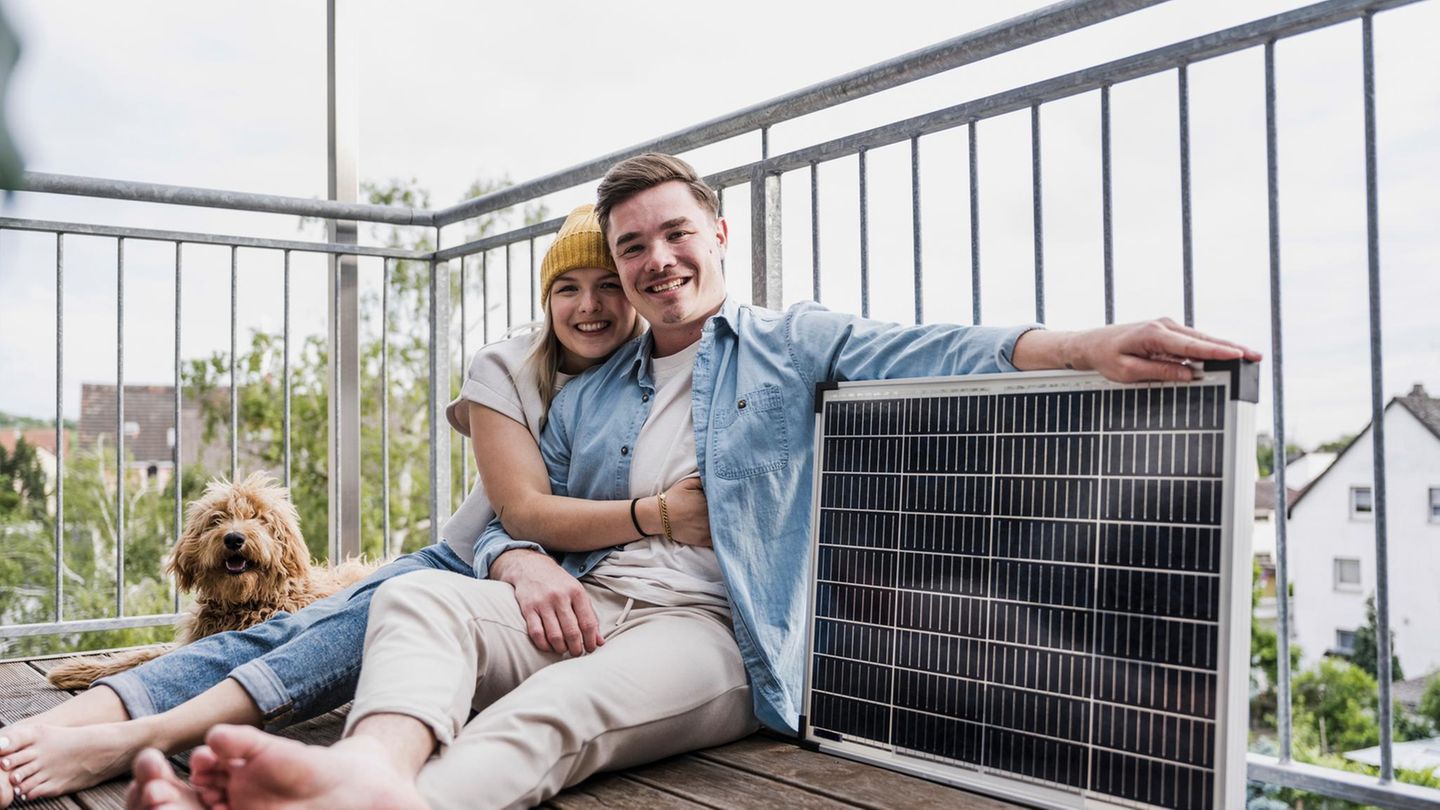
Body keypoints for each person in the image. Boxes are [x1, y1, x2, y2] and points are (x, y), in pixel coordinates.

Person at [127, 153, 1262, 810]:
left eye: (673, 234)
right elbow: (500, 523)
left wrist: (1086, 344)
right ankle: (370, 768)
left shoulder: (788, 343)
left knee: (553, 712)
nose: (655, 260)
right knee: (422, 596)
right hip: (591, 602)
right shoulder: (597, 390)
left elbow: (934, 348)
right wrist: (517, 558)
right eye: (632, 248)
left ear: (718, 232)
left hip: (716, 631)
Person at [0, 204, 714, 808]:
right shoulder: (508, 365)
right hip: (467, 560)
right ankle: (60, 731)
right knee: (294, 635)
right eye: (567, 287)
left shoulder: (656, 376)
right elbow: (517, 512)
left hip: (542, 586)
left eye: (608, 285)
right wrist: (545, 546)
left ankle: (117, 738)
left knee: (315, 635)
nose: (589, 306)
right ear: (546, 296)